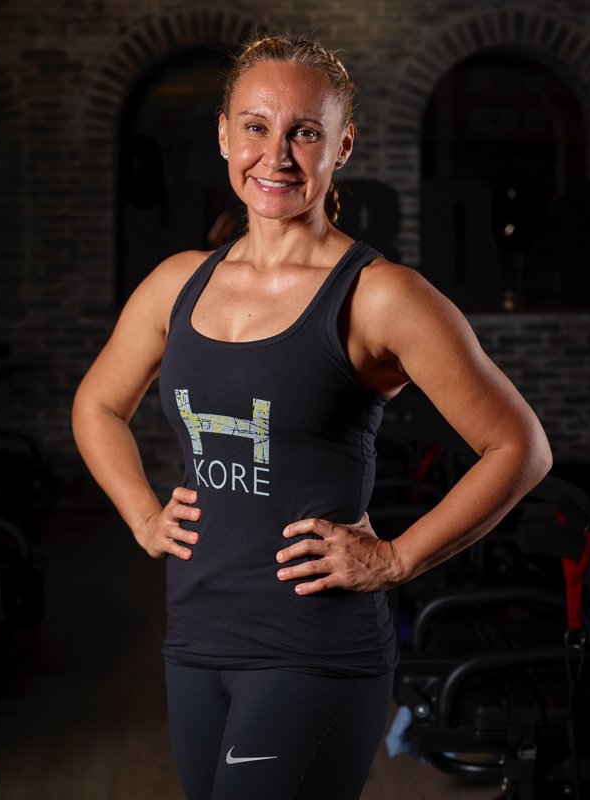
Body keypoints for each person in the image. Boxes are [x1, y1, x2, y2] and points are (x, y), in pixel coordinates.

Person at [72, 33, 552, 800]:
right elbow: (97, 405)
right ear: (224, 135)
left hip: (314, 648)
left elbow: (519, 446)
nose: (276, 155)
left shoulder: (380, 295)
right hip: (195, 637)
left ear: (342, 146)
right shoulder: (176, 285)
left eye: (304, 131)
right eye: (256, 127)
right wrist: (142, 516)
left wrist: (395, 560)